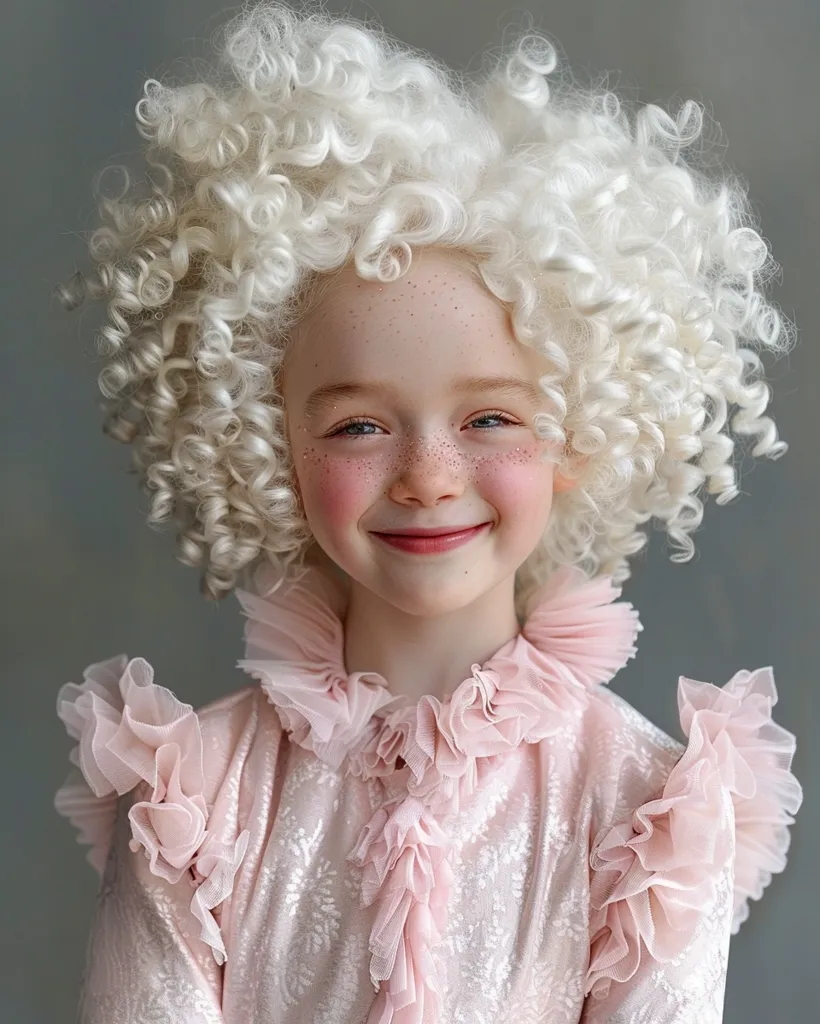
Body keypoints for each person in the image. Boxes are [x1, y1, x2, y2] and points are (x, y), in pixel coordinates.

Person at [52, 3, 803, 1022]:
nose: (428, 477)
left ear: (578, 436)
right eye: (359, 426)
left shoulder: (645, 809)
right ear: (267, 441)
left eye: (490, 418)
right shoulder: (196, 799)